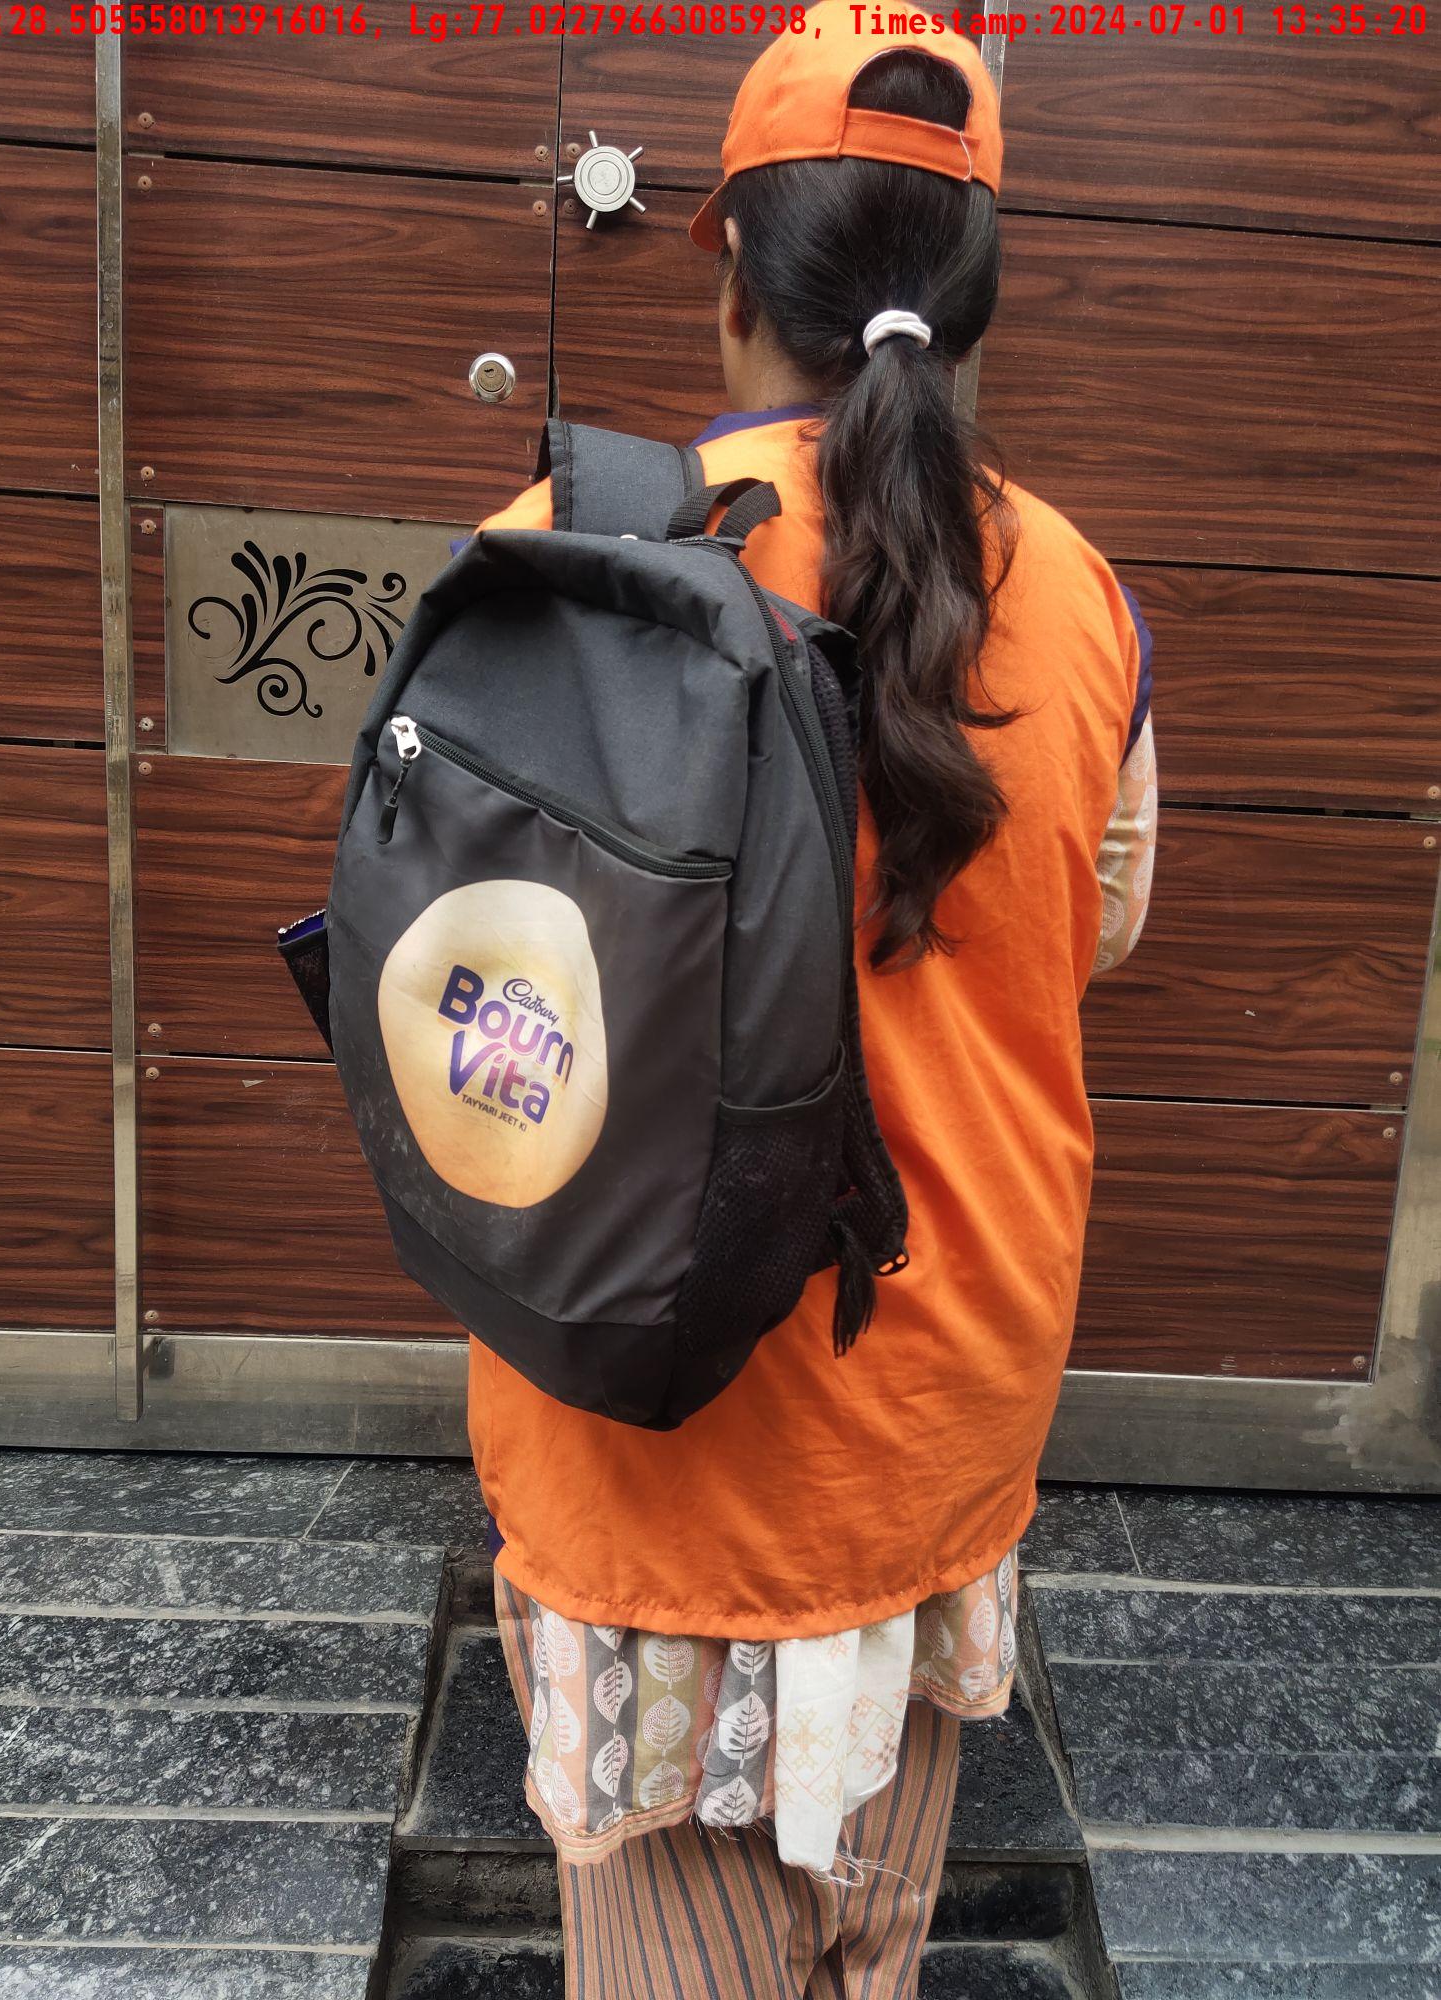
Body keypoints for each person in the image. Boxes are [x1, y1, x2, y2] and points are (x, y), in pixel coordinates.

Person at [462, 9, 1157, 1994]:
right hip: (940, 1406)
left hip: (655, 1422)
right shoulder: (1087, 598)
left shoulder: (561, 563)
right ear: (976, 298)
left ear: (734, 284)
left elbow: (457, 984)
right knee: (871, 1936)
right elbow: (1103, 925)